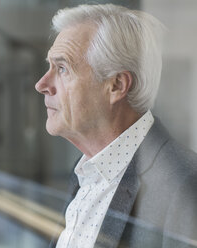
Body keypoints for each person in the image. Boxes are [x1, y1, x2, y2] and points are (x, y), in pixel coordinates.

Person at [35, 4, 197, 248]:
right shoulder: (84, 172)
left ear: (117, 85)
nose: (42, 84)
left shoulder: (184, 185)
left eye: (62, 68)